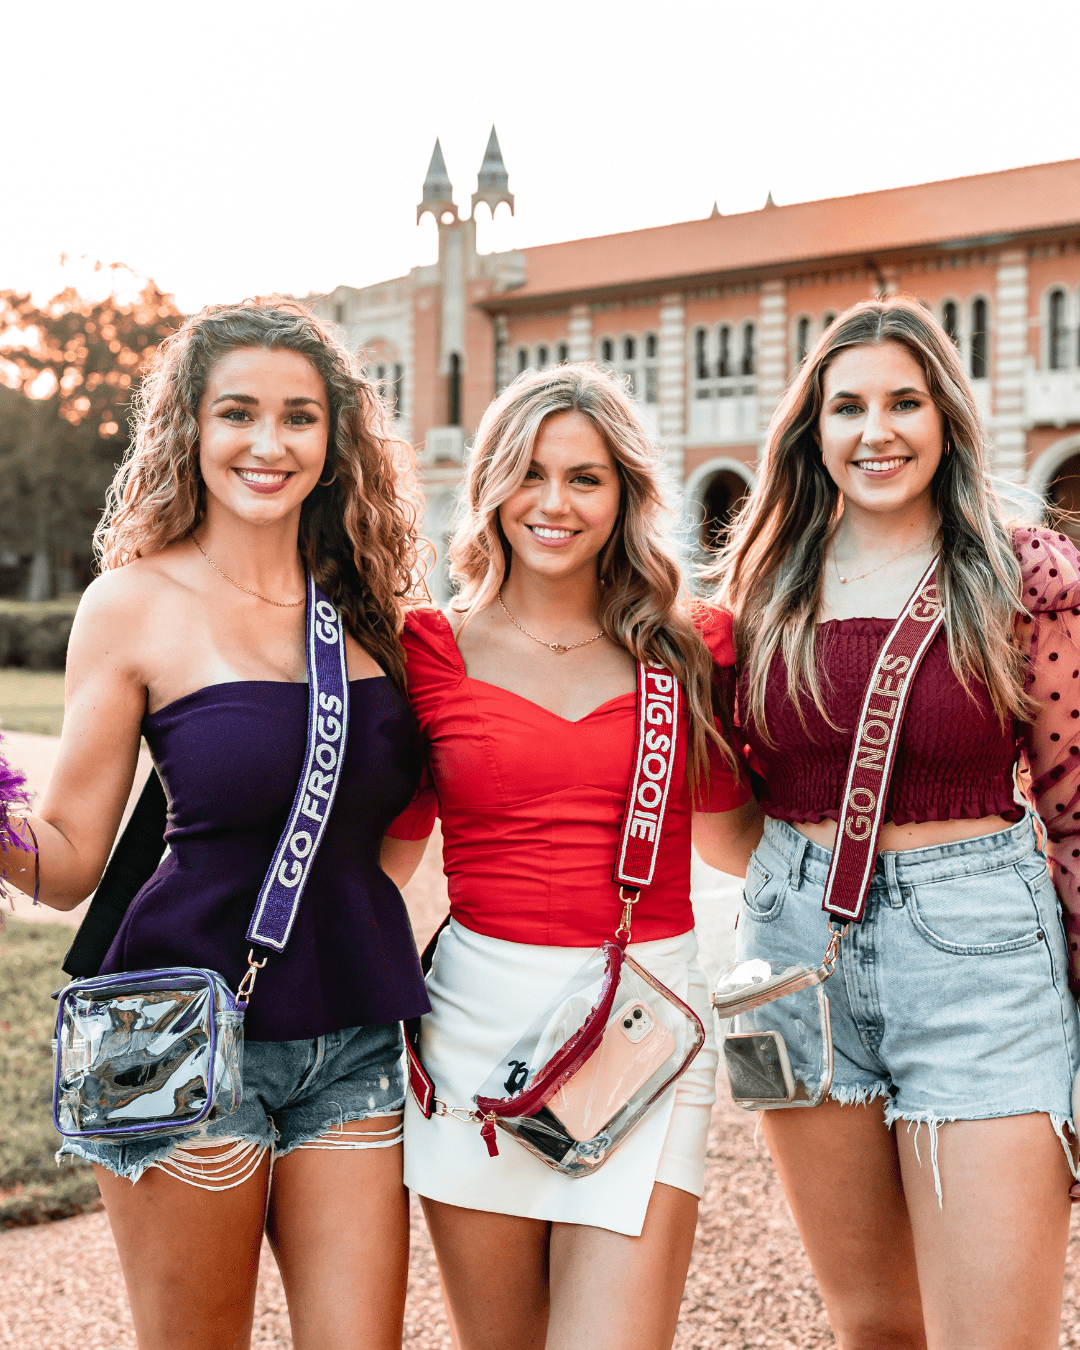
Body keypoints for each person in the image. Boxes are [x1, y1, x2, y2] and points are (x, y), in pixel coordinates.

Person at [0, 300, 431, 1350]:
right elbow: (63, 870)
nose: (268, 443)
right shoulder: (133, 602)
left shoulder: (369, 609)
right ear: (191, 427)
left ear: (334, 444)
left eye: (299, 417)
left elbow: (390, 829)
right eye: (238, 412)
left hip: (353, 1040)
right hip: (171, 1033)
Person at [711, 295, 1080, 1350]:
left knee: (996, 1335)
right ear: (811, 430)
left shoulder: (1023, 578)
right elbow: (736, 801)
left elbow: (1076, 813)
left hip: (982, 962)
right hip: (795, 964)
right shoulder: (764, 588)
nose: (876, 431)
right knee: (875, 1326)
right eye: (848, 407)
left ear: (948, 418)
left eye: (905, 401)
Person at [380, 363, 763, 1350]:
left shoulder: (690, 649)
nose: (553, 503)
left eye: (586, 478)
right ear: (491, 488)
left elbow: (739, 841)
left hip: (639, 1023)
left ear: (627, 496)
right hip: (474, 1037)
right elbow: (389, 856)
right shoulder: (428, 649)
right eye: (529, 473)